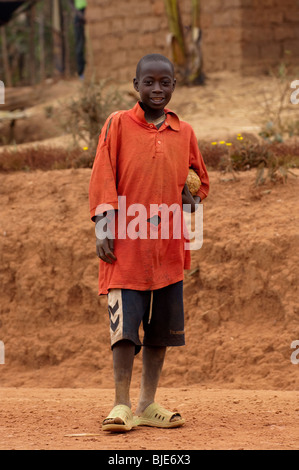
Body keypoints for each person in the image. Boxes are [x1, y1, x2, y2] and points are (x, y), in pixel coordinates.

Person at [89, 53, 209, 432]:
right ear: (135, 85)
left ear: (174, 86)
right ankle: (121, 404)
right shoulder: (118, 124)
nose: (157, 89)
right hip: (126, 246)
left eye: (165, 82)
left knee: (161, 331)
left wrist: (193, 197)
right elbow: (102, 172)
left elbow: (199, 182)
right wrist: (103, 223)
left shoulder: (184, 131)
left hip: (169, 246)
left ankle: (146, 403)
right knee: (124, 330)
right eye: (150, 82)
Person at [69, 0, 86, 79]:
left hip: (88, 13)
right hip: (79, 16)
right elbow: (71, 4)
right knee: (79, 46)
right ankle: (81, 72)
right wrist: (81, 15)